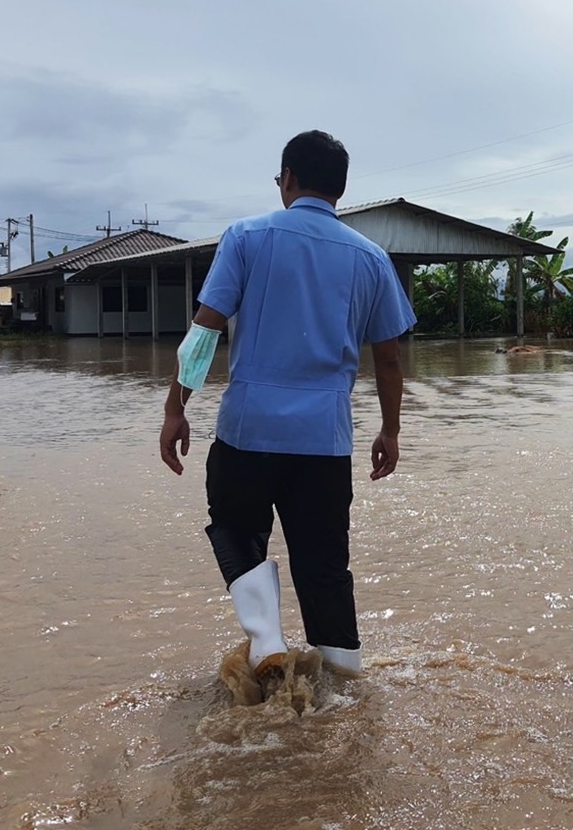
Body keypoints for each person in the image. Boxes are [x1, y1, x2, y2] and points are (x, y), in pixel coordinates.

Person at [158, 130, 416, 680]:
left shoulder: (247, 237)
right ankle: (345, 676)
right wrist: (390, 430)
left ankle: (267, 639)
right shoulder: (371, 259)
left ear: (289, 179)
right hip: (324, 442)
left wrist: (175, 409)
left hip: (246, 433)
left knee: (234, 531)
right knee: (325, 566)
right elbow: (389, 361)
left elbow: (205, 333)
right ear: (340, 190)